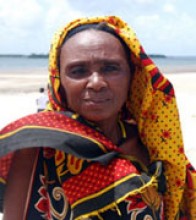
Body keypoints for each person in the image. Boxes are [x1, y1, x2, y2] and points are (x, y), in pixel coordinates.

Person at [0, 15, 195, 220]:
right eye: (78, 71)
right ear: (59, 81)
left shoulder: (152, 143)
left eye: (111, 68)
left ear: (132, 76)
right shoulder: (37, 144)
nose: (96, 82)